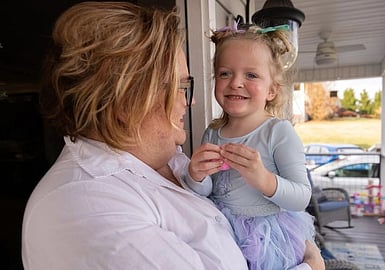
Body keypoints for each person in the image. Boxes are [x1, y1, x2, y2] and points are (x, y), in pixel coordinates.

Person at [21, 2, 324, 270]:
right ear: (129, 100)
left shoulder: (164, 156)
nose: (189, 102)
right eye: (181, 87)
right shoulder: (88, 207)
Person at [185, 22, 317, 270]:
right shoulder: (212, 133)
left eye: (251, 75)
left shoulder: (278, 132)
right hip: (221, 229)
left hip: (267, 236)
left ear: (272, 90)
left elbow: (301, 196)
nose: (235, 82)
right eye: (225, 73)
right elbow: (207, 191)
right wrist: (196, 175)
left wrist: (263, 179)